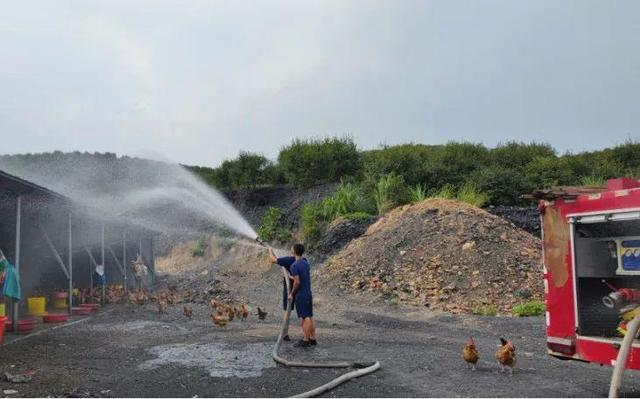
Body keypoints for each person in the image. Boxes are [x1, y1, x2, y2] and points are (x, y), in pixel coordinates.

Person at [288, 243, 316, 347]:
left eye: (292, 247)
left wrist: (291, 294)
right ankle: (313, 339)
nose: (290, 249)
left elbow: (298, 282)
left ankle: (305, 340)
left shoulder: (294, 265)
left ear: (294, 251)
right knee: (310, 316)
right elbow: (301, 277)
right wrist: (292, 277)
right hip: (308, 293)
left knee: (305, 317)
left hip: (301, 294)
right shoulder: (305, 263)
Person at [268, 247, 296, 341]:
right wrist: (289, 274)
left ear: (293, 251)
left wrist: (269, 250)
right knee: (304, 314)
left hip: (290, 289)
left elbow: (272, 259)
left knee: (287, 311)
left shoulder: (288, 260)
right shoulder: (303, 260)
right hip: (300, 289)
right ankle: (308, 337)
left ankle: (285, 334)